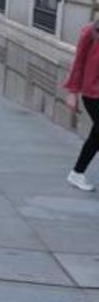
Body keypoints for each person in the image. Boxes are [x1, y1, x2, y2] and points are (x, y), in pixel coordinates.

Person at [64, 19, 99, 191]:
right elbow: (78, 62)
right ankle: (76, 173)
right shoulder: (91, 31)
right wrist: (72, 92)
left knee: (96, 136)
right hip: (93, 93)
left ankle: (77, 173)